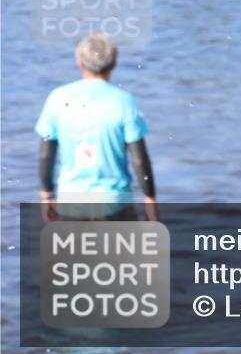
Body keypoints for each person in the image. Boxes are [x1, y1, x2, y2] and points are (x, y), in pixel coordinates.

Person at [36, 34, 158, 222]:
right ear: (114, 63)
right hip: (116, 204)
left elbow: (46, 155)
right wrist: (150, 201)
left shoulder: (57, 99)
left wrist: (46, 196)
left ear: (79, 62)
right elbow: (140, 160)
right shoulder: (125, 102)